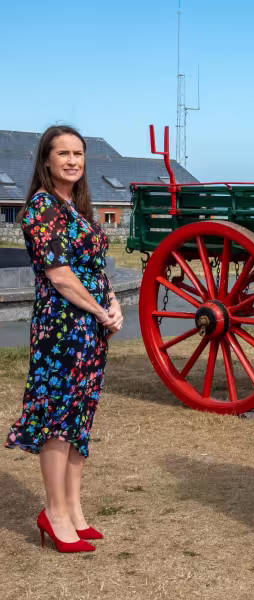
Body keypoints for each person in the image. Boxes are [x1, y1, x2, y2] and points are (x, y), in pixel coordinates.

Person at [5, 126, 124, 553]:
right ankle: (54, 513)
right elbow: (60, 276)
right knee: (57, 418)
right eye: (63, 154)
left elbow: (94, 268)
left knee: (79, 416)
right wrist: (99, 310)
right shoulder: (42, 207)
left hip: (90, 327)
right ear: (46, 160)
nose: (72, 161)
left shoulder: (77, 207)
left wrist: (113, 302)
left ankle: (74, 509)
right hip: (62, 328)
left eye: (78, 153)